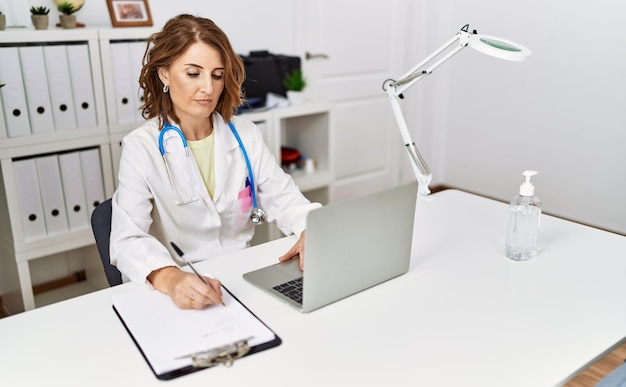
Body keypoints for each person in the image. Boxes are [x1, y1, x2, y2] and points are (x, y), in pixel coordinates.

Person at [110, 14, 321, 310]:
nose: (208, 88)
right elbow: (126, 239)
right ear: (164, 74)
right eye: (193, 73)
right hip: (182, 286)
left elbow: (286, 200)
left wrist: (310, 230)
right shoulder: (141, 148)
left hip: (243, 278)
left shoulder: (245, 135)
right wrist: (171, 279)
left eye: (217, 75)